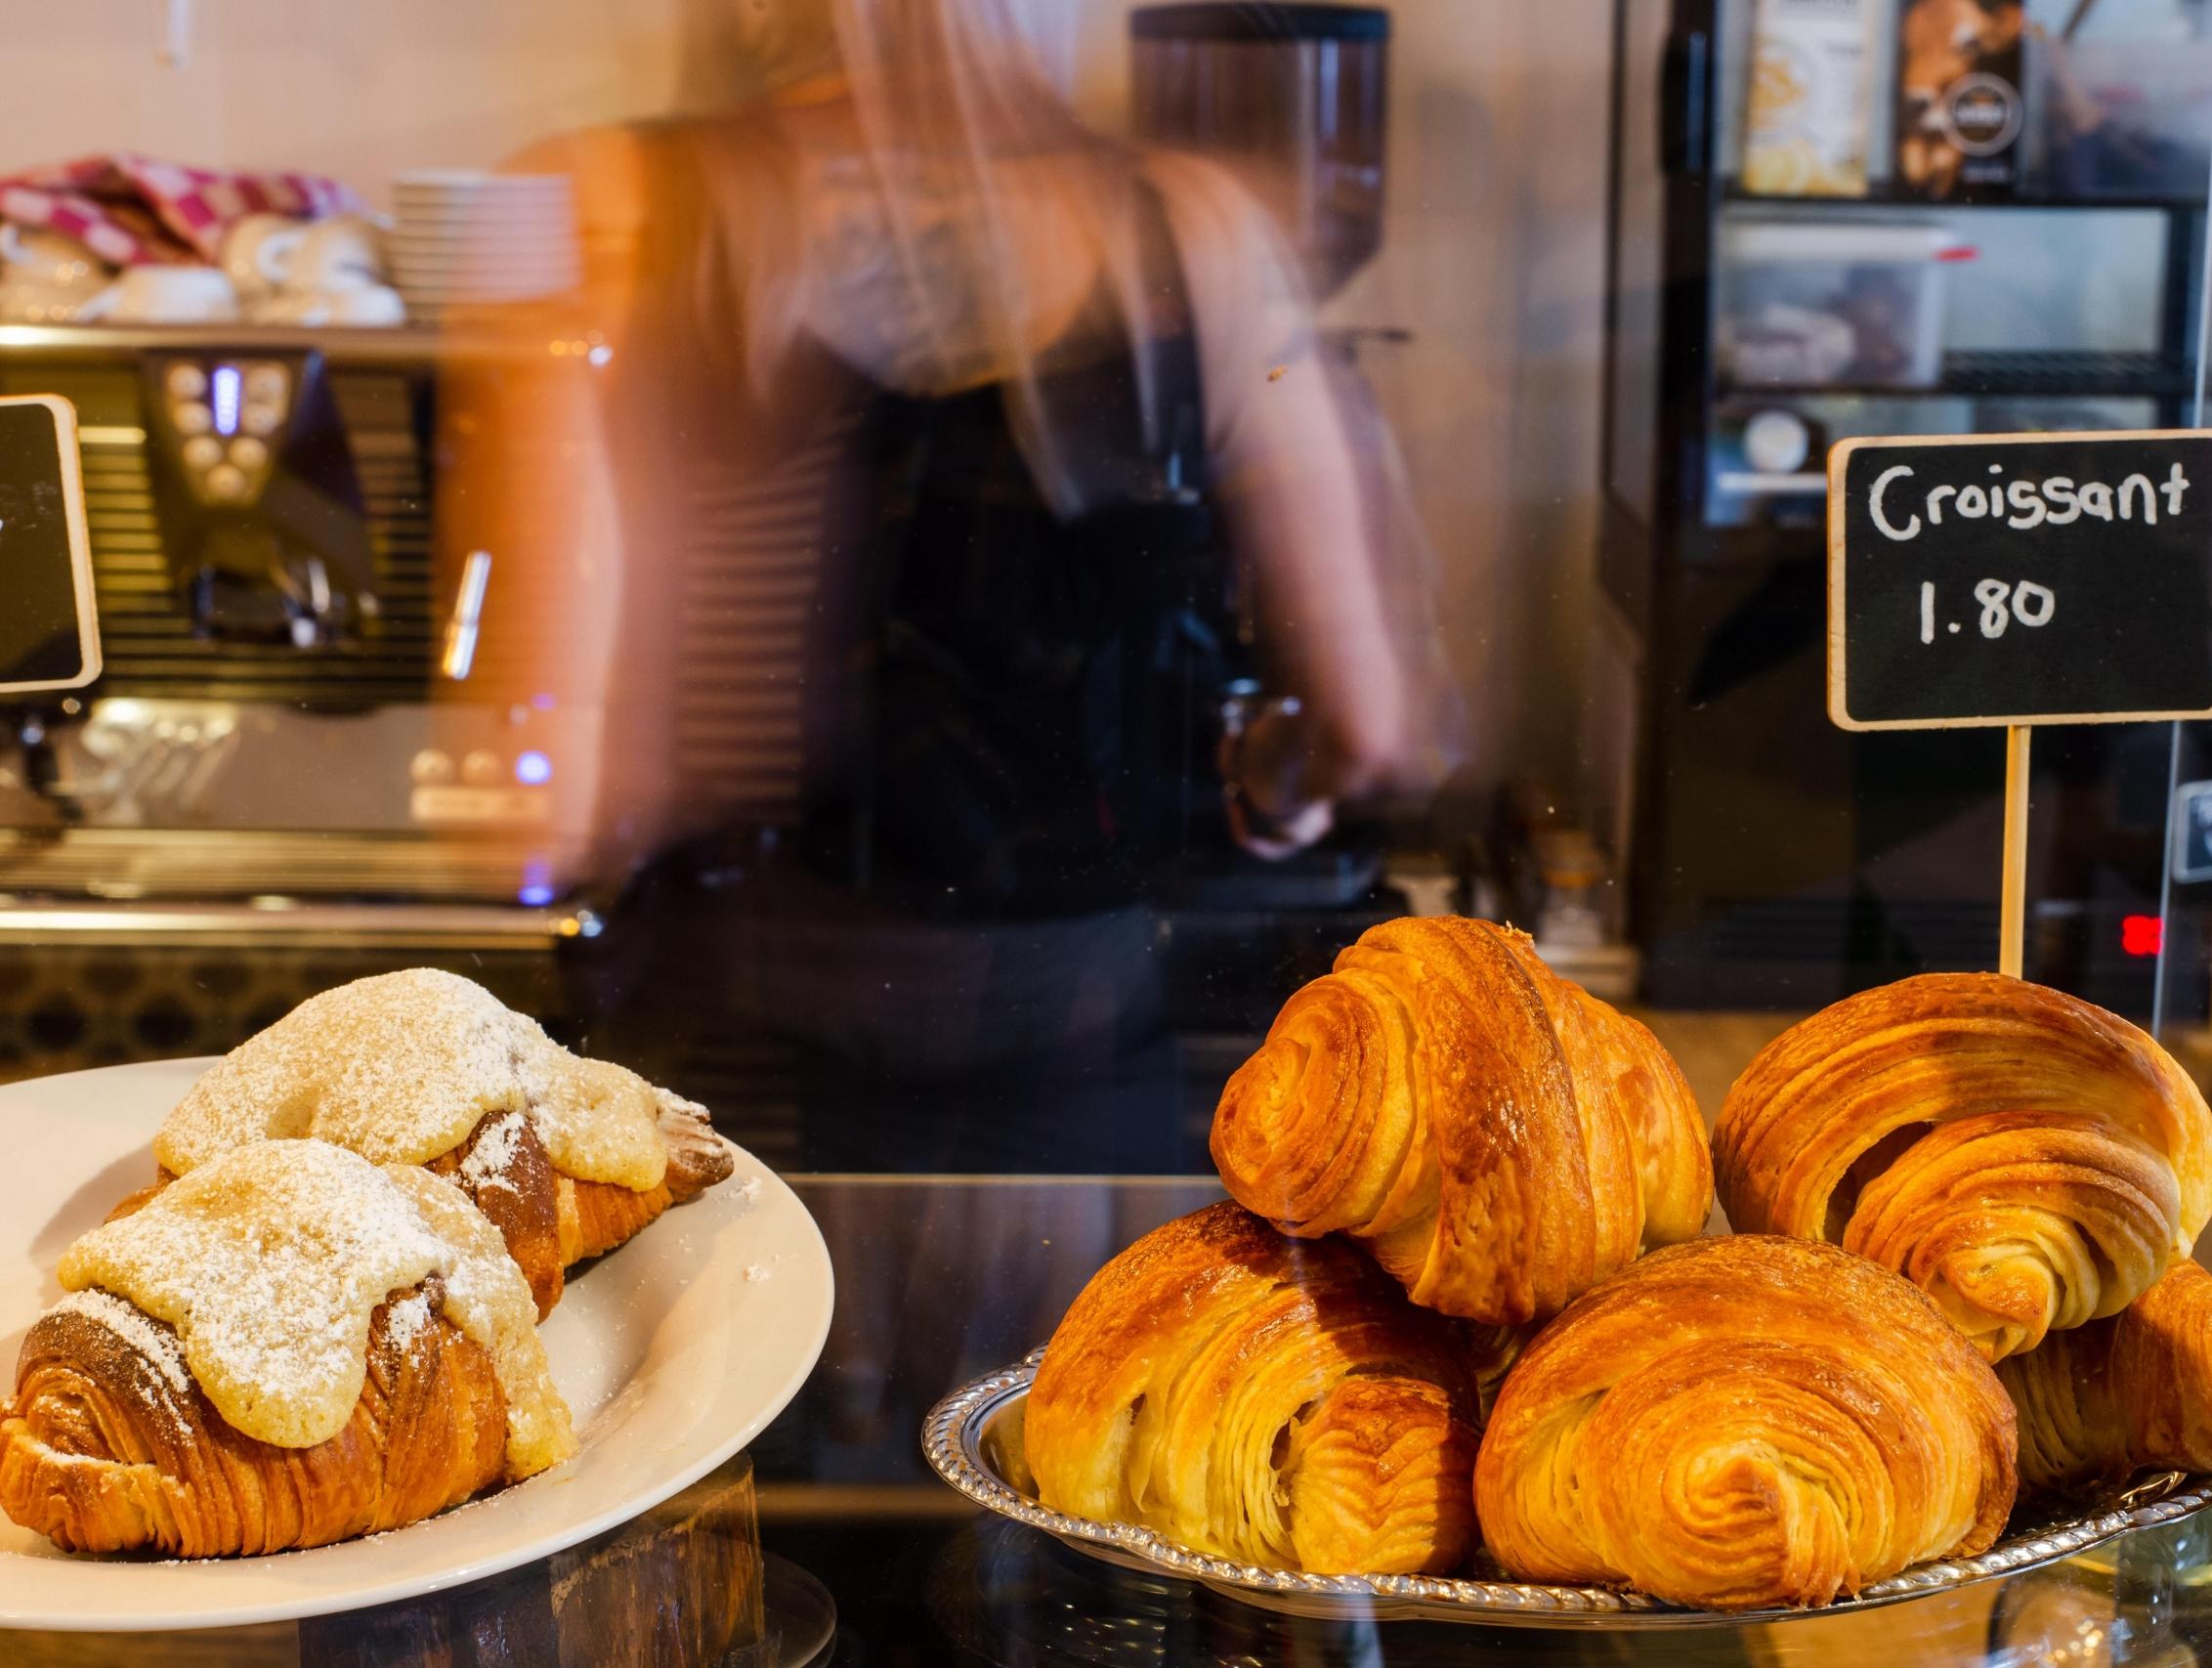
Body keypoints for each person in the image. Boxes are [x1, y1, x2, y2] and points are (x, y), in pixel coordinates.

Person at [436, 0, 1454, 1170]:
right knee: (1064, 1359)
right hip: (1071, 1048)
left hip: (725, 1071)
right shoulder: (1190, 227)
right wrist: (1269, 788)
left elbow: (544, 804)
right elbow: (1370, 729)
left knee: (737, 1351)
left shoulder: (604, 205)